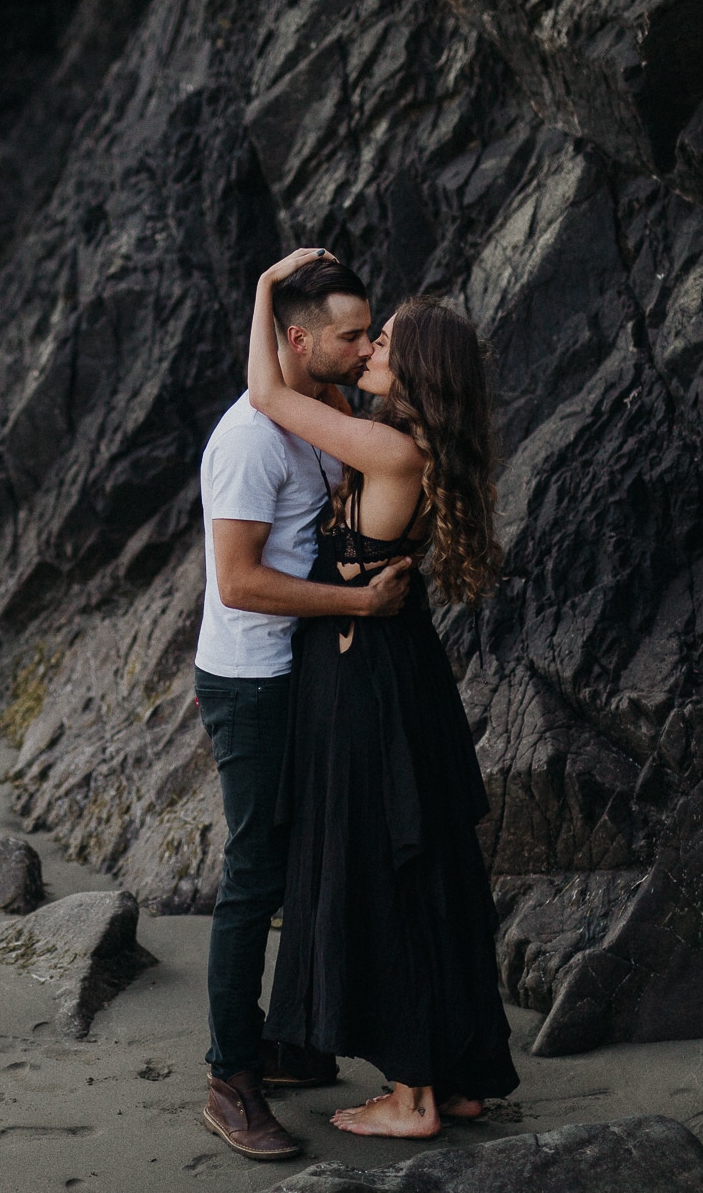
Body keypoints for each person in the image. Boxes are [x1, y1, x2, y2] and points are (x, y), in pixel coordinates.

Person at [247, 247, 520, 1139]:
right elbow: (312, 387)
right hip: (402, 671)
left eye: (383, 343)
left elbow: (271, 396)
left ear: (416, 370)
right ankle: (461, 1072)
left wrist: (262, 294)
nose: (366, 353)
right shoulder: (407, 446)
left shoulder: (391, 448)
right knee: (435, 872)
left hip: (368, 682)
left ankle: (411, 1096)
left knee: (387, 873)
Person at [194, 259, 414, 1162]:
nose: (365, 348)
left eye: (372, 334)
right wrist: (362, 606)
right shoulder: (251, 438)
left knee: (308, 862)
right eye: (351, 334)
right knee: (253, 874)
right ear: (298, 339)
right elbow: (238, 583)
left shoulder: (322, 420)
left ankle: (285, 1040)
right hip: (252, 682)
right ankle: (229, 1075)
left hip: (310, 674)